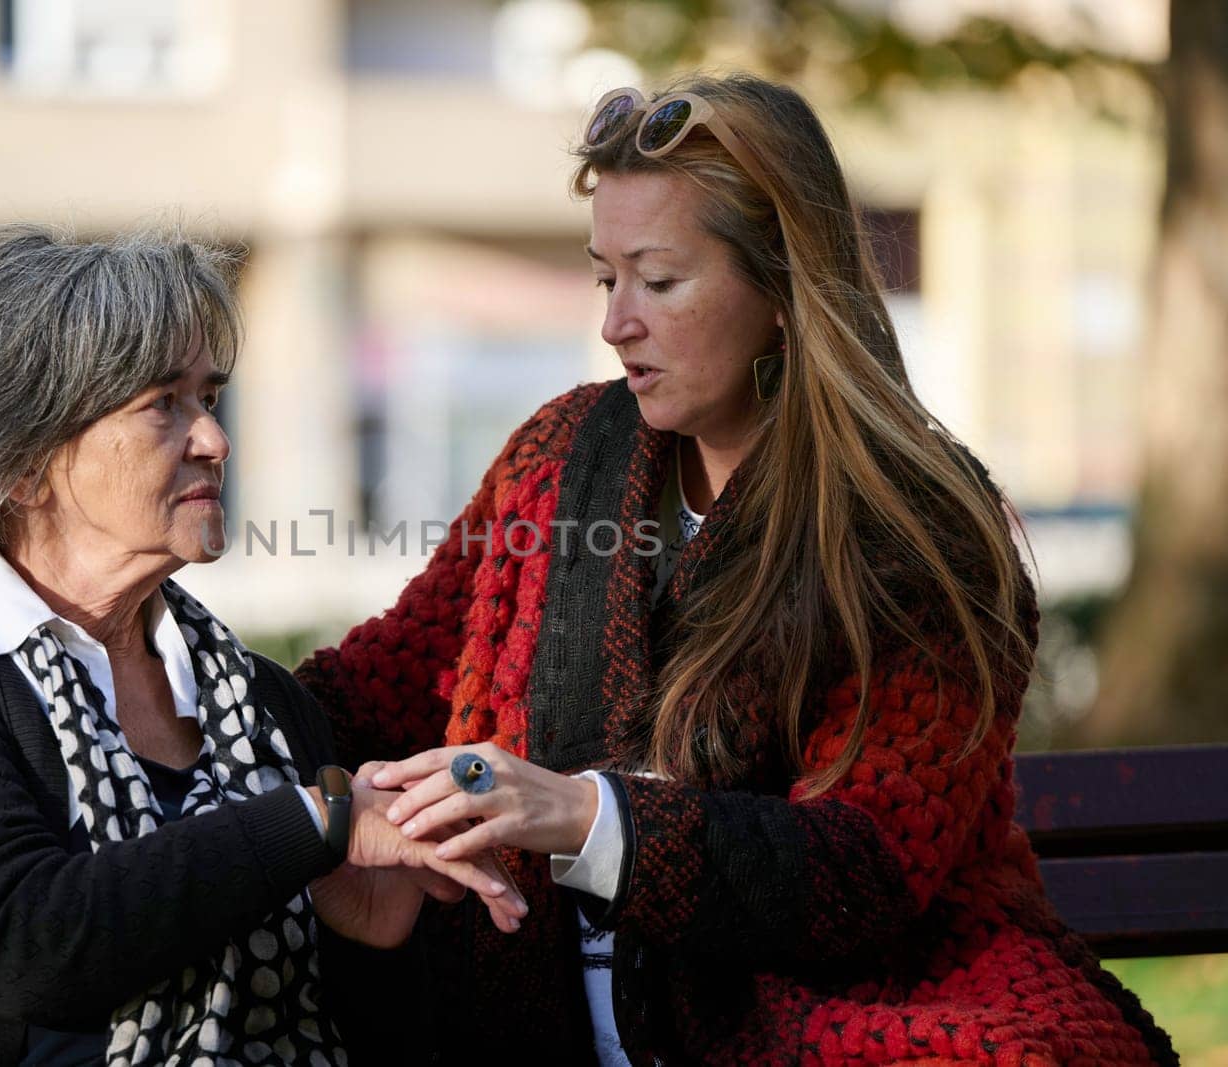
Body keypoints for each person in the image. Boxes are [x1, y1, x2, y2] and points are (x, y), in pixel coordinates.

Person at [297, 73, 1175, 1065]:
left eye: (658, 280)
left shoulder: (916, 524)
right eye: (604, 277)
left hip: (825, 1010)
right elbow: (370, 684)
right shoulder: (558, 459)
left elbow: (864, 865)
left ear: (782, 286)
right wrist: (142, 685)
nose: (616, 322)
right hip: (529, 1011)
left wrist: (587, 815)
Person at [0, 224, 524, 1067]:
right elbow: (25, 941)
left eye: (209, 398)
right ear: (19, 461)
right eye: (162, 404)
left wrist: (370, 935)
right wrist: (312, 822)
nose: (216, 441)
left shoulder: (266, 707)